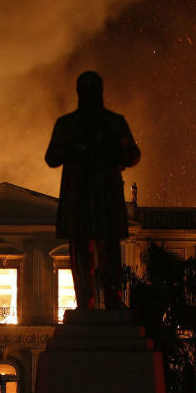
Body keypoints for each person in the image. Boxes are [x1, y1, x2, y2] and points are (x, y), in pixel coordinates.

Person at [45, 71, 140, 310]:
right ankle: (85, 302)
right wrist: (74, 150)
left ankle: (112, 300)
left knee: (108, 250)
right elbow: (52, 157)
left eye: (93, 90)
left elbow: (134, 154)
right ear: (79, 93)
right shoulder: (66, 124)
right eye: (86, 90)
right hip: (79, 197)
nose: (90, 95)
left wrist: (116, 156)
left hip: (104, 195)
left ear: (100, 92)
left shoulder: (115, 122)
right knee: (81, 250)